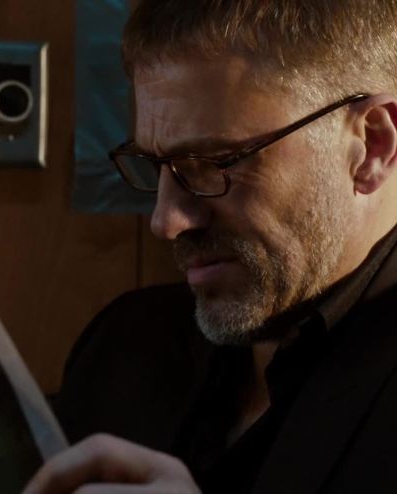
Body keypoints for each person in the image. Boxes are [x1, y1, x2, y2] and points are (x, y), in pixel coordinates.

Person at [24, 1, 397, 493]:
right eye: (156, 166)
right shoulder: (124, 344)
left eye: (215, 164)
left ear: (372, 146)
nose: (166, 221)